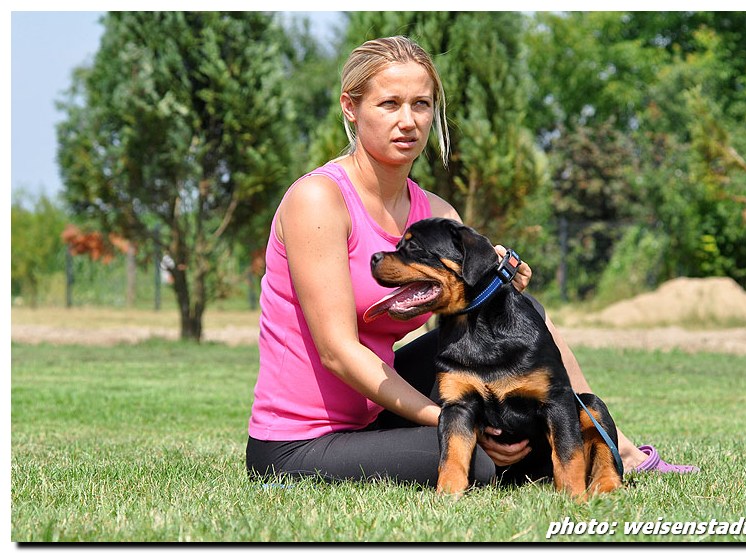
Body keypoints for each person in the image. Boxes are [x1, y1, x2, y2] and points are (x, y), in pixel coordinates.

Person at [246, 36, 697, 488]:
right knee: (474, 463)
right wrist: (454, 420)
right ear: (351, 107)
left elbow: (463, 333)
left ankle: (614, 445)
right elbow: (337, 352)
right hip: (301, 442)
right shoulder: (318, 200)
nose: (408, 121)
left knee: (525, 313)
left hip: (378, 412)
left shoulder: (437, 212)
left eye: (421, 104)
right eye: (389, 104)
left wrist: (493, 285)